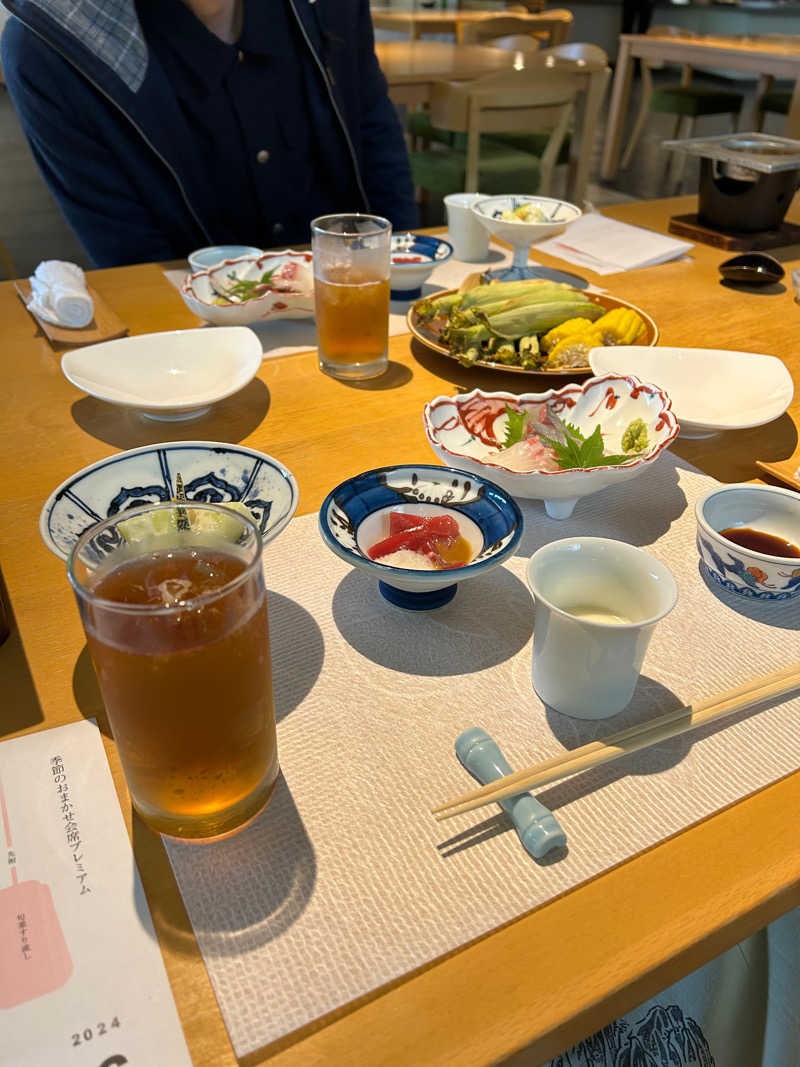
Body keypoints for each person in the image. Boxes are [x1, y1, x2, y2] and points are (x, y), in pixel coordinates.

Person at [1, 0, 417, 267]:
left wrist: (403, 277)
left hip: (356, 305)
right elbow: (131, 261)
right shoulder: (52, 50)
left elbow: (376, 140)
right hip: (193, 348)